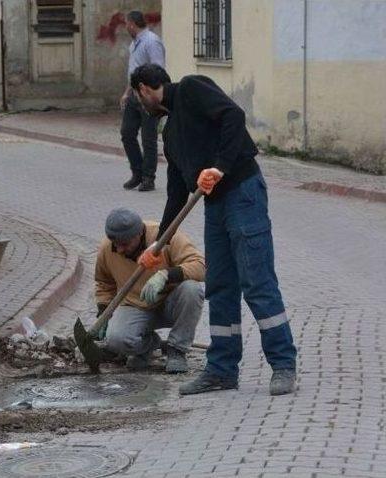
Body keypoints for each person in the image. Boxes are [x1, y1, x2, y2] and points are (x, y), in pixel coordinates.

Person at [130, 64, 297, 396]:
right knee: (220, 285)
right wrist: (158, 245)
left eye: (137, 95)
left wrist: (220, 167)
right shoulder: (170, 133)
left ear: (144, 89)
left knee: (256, 281)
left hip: (242, 190)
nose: (139, 102)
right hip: (215, 205)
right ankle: (221, 370)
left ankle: (283, 365)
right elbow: (177, 192)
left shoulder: (192, 88)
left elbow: (233, 117)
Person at [95, 207, 205, 372]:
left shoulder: (166, 236)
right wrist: (103, 312)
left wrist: (166, 275)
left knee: (192, 289)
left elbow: (200, 266)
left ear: (139, 234)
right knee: (116, 340)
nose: (119, 250)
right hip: (135, 306)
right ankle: (149, 346)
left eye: (124, 244)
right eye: (115, 245)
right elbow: (104, 283)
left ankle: (177, 350)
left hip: (170, 304)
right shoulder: (107, 248)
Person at [119, 11, 165, 192]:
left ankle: (148, 177)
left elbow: (158, 71)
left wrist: (152, 96)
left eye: (126, 24)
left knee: (149, 138)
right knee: (127, 133)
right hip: (134, 95)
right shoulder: (134, 44)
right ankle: (137, 172)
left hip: (147, 96)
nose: (125, 27)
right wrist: (126, 92)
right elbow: (133, 71)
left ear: (132, 24)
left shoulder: (151, 42)